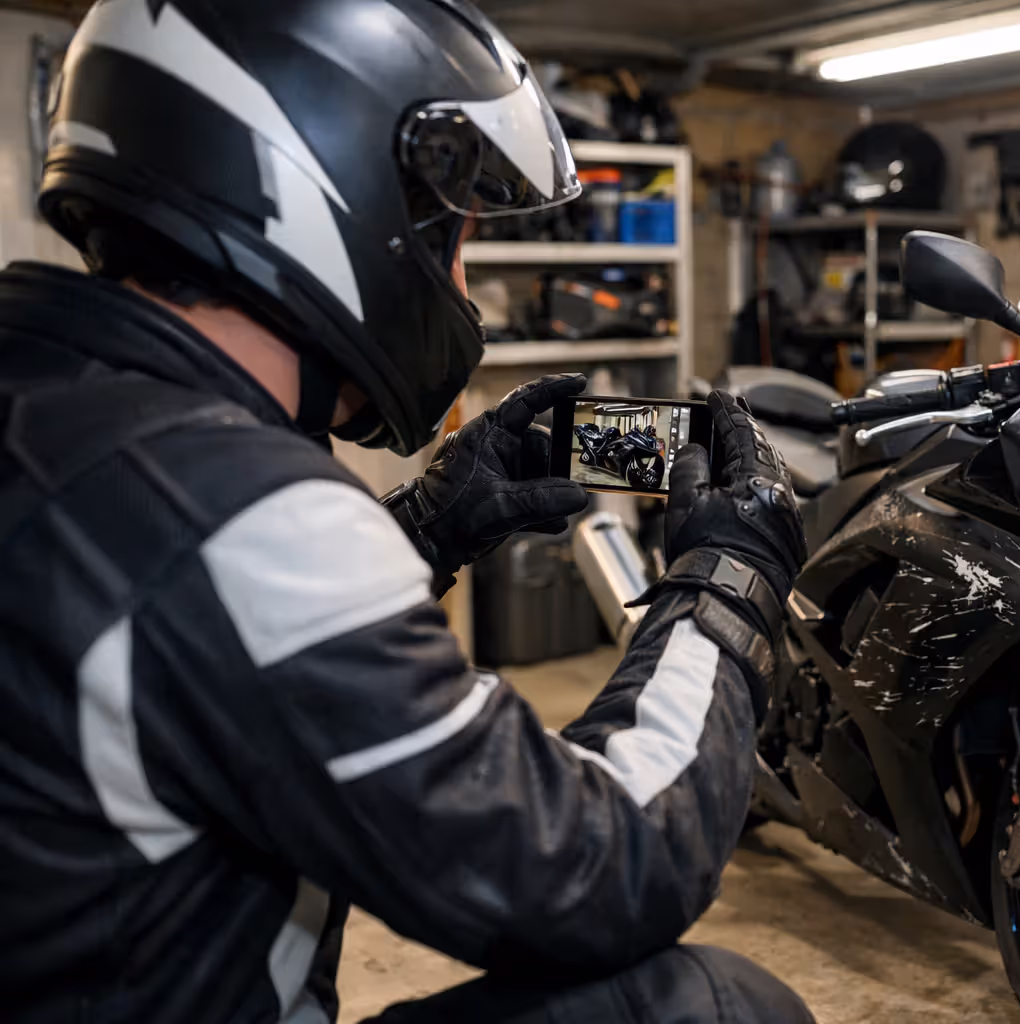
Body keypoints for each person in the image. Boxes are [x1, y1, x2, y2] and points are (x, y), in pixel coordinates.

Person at [0, 2, 811, 1022]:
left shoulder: (59, 407)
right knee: (717, 1007)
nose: (460, 287)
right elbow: (608, 862)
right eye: (456, 241)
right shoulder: (236, 504)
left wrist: (428, 525)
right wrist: (725, 586)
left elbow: (181, 625)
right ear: (326, 189)